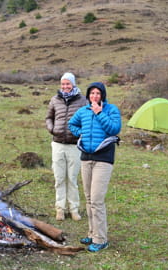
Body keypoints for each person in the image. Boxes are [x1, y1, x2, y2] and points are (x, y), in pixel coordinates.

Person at [68, 82, 121, 252]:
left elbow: (114, 129)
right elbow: (71, 124)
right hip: (86, 158)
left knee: (97, 200)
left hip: (103, 159)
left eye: (98, 93)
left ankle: (101, 239)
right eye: (92, 93)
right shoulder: (83, 111)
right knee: (89, 198)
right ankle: (92, 234)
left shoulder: (111, 110)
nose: (95, 96)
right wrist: (80, 134)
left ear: (103, 95)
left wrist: (99, 113)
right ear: (88, 95)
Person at [45, 72, 87, 221]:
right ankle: (60, 209)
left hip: (74, 145)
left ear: (73, 84)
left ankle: (74, 209)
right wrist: (52, 129)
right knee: (59, 178)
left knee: (72, 178)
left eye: (68, 83)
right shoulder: (55, 100)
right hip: (57, 144)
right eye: (63, 84)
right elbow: (48, 117)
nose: (65, 86)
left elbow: (87, 120)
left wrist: (81, 133)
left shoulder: (83, 101)